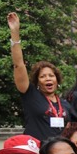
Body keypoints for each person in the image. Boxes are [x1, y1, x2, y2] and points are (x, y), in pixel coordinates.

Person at [7, 12, 70, 140]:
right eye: (43, 76)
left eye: (51, 76)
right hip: (37, 152)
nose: (48, 78)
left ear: (57, 80)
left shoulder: (65, 104)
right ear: (37, 81)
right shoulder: (31, 95)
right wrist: (15, 33)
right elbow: (19, 65)